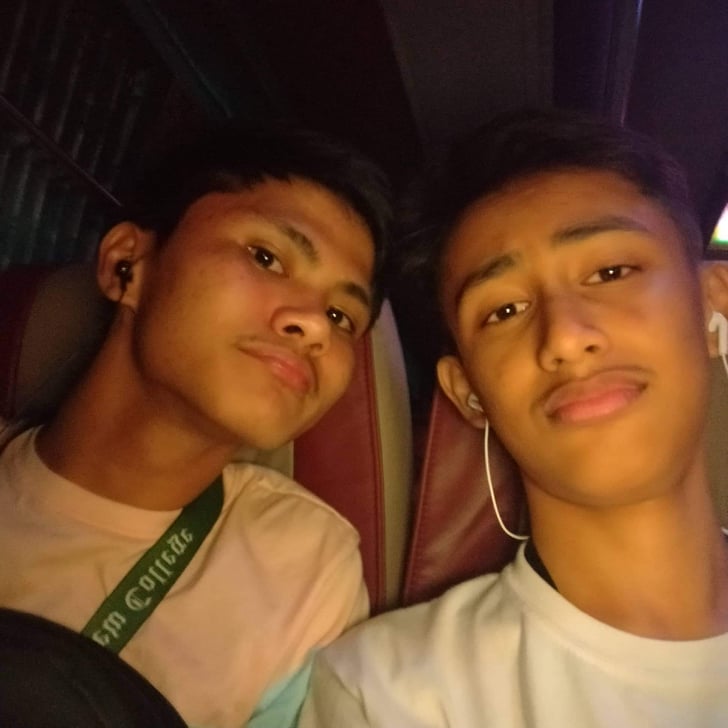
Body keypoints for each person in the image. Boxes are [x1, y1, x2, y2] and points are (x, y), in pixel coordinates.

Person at [298, 109, 728, 727]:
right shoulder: (394, 692)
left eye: (611, 273)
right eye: (503, 311)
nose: (565, 337)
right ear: (468, 392)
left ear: (712, 305)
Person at [0, 122, 391, 727]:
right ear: (127, 264)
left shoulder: (301, 568)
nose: (316, 325)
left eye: (342, 316)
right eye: (266, 257)